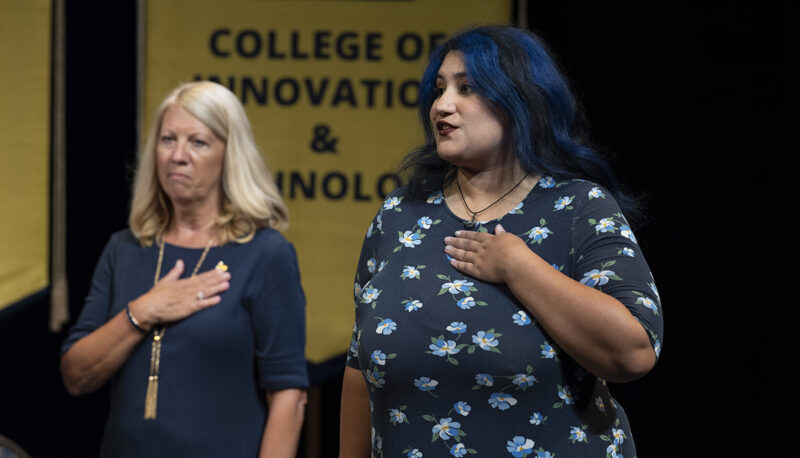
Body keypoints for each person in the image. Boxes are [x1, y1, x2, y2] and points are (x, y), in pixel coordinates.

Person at [340, 26, 663, 457]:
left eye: (467, 88)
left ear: (521, 102)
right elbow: (360, 366)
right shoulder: (401, 212)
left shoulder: (577, 207)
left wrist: (519, 266)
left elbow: (634, 351)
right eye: (439, 90)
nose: (442, 105)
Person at [60, 81, 308, 458]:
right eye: (167, 139)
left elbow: (289, 397)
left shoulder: (265, 254)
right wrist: (142, 311)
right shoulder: (124, 249)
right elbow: (76, 375)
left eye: (198, 142)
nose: (178, 155)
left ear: (230, 155)